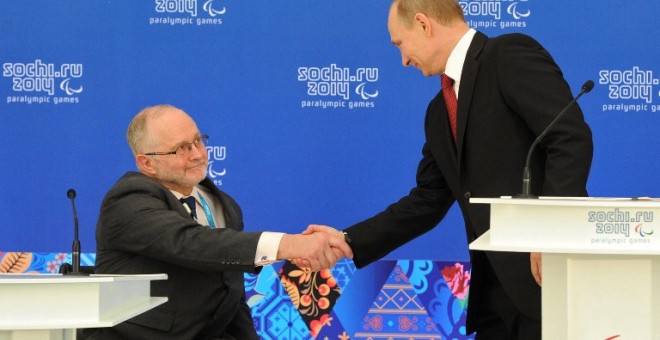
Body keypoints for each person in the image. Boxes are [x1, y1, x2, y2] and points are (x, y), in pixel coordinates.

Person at [305, 0, 593, 338]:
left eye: (401, 44)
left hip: (547, 282)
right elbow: (428, 200)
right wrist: (348, 241)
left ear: (424, 24)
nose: (403, 60)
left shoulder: (508, 55)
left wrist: (551, 232)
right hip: (494, 300)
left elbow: (569, 139)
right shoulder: (439, 112)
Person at [79, 104, 352, 340]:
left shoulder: (222, 204)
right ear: (147, 164)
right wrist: (289, 245)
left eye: (198, 141)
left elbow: (231, 293)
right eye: (181, 149)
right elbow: (189, 243)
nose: (197, 154)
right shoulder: (129, 199)